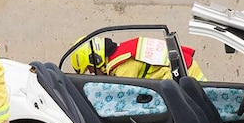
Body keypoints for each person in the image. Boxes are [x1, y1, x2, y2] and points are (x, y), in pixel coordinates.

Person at [70, 36, 207, 81]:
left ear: (96, 60)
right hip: (185, 68)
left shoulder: (122, 66)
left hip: (184, 75)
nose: (94, 74)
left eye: (90, 69)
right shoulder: (123, 50)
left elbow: (126, 96)